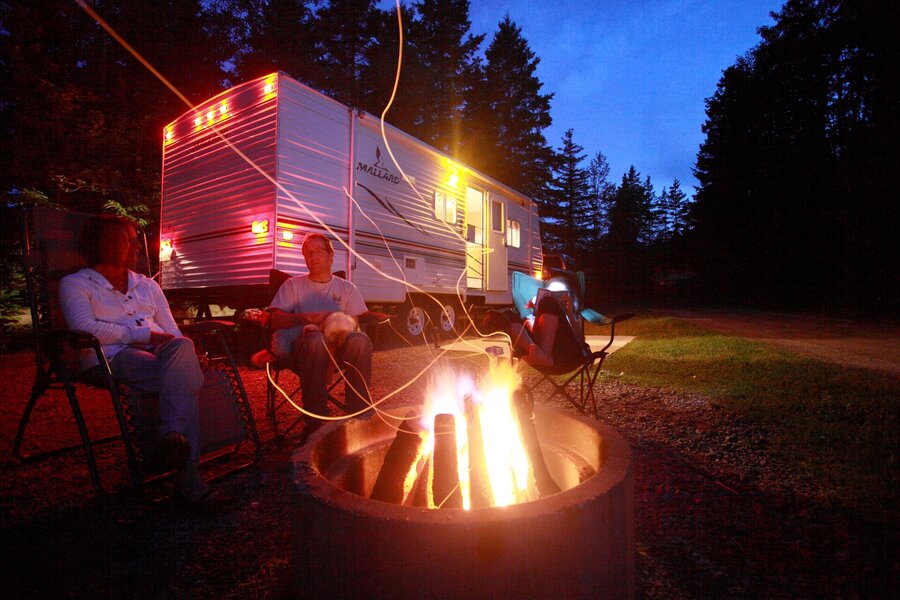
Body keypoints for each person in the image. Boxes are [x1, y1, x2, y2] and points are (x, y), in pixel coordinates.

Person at [59, 214, 215, 505]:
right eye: (126, 240)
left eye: (135, 241)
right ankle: (188, 480)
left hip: (159, 353)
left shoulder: (147, 285)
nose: (136, 247)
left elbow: (171, 332)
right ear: (99, 244)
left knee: (183, 349)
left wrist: (186, 353)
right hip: (109, 357)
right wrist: (144, 336)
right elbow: (85, 329)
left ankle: (170, 436)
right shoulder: (76, 283)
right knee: (186, 380)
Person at [267, 233, 374, 416]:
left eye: (318, 251)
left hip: (339, 349)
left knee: (361, 340)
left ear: (330, 256)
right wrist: (307, 318)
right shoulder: (292, 285)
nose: (312, 256)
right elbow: (274, 320)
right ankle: (316, 415)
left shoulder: (347, 288)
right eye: (307, 253)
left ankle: (359, 412)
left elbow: (355, 322)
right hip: (303, 351)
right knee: (316, 339)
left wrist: (336, 326)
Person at [507, 292, 584, 368]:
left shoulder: (570, 318)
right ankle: (541, 354)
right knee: (508, 315)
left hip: (566, 355)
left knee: (547, 301)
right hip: (537, 352)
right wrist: (537, 311)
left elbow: (581, 341)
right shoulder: (540, 320)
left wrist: (569, 314)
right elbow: (536, 332)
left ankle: (545, 356)